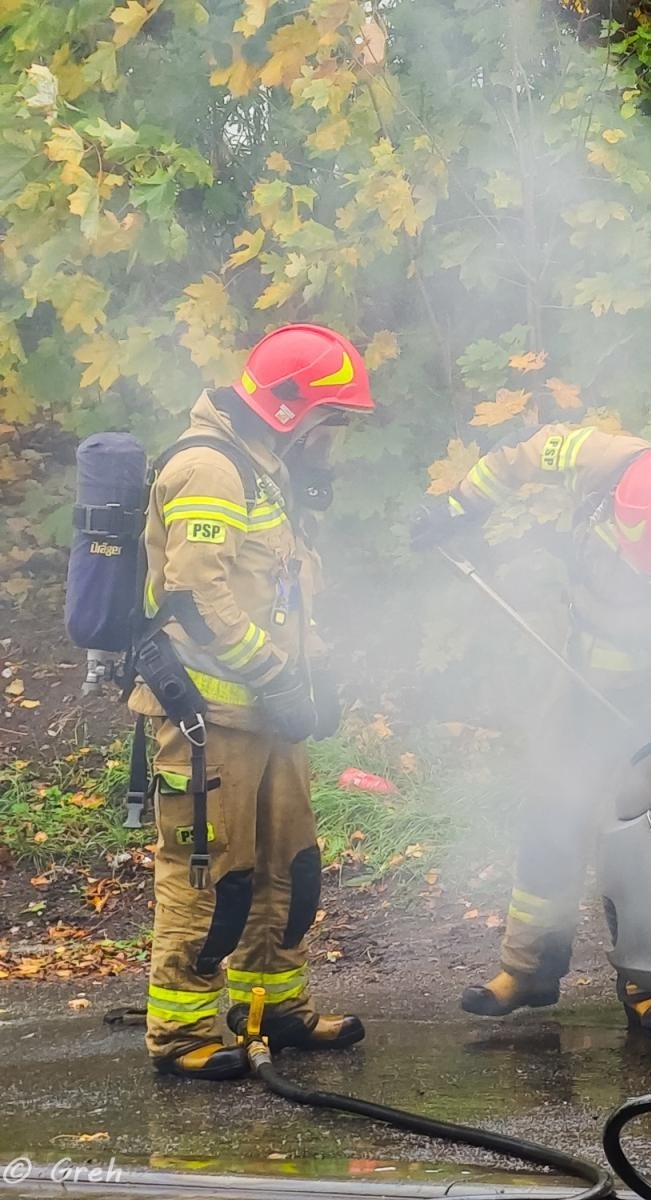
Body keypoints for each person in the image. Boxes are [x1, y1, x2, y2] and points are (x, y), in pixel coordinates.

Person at [411, 416, 651, 1033]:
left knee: (635, 841)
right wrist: (458, 507)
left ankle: (644, 983)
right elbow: (521, 455)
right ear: (616, 508)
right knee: (551, 817)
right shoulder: (601, 458)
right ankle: (527, 968)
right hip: (580, 681)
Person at [133, 324, 373, 1079]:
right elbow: (197, 600)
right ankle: (182, 1034)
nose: (332, 437)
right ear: (291, 407)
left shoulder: (264, 470)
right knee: (211, 876)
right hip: (209, 718)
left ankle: (272, 1011)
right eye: (329, 418)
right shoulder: (209, 469)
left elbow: (281, 593)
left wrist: (317, 674)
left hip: (270, 713)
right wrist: (277, 676)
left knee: (287, 868)